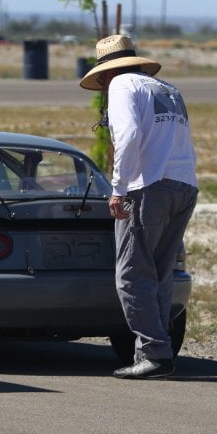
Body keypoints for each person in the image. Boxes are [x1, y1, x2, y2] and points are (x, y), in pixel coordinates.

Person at [80, 35, 198, 379]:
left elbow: (129, 135)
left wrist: (119, 188)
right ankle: (157, 351)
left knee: (131, 276)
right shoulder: (166, 88)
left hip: (148, 187)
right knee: (160, 274)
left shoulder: (120, 87)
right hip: (184, 185)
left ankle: (154, 353)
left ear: (104, 75)